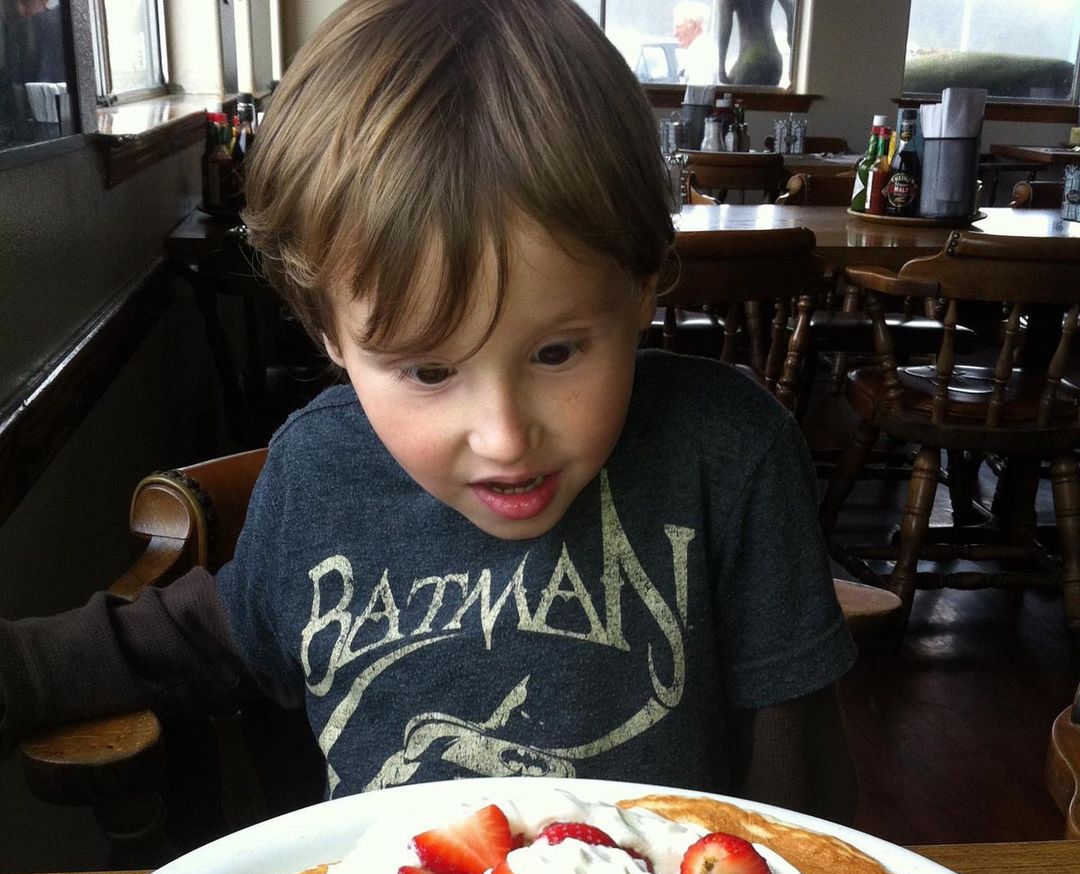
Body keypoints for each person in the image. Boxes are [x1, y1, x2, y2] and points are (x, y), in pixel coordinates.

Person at [0, 0, 857, 824]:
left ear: (642, 287)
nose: (505, 438)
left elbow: (803, 803)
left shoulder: (730, 458)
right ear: (328, 331)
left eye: (557, 353)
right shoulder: (317, 475)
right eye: (430, 370)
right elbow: (208, 633)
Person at [717, 0, 791, 87]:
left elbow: (725, 25)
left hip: (750, 62)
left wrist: (721, 69)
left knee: (732, 90)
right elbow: (791, 9)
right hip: (774, 61)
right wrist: (791, 40)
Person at [673, 0, 719, 86]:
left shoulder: (701, 53)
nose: (674, 34)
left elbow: (697, 93)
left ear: (694, 27)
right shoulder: (701, 49)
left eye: (678, 27)